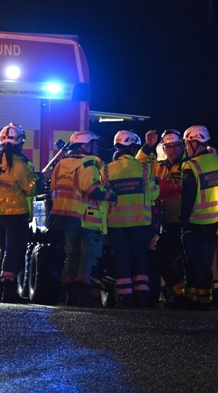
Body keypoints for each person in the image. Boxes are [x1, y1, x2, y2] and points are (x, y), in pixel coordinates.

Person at [49, 131, 107, 306]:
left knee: (72, 255)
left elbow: (53, 186)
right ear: (85, 145)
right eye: (94, 144)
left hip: (66, 217)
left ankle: (69, 291)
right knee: (88, 255)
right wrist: (112, 195)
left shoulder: (61, 164)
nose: (96, 148)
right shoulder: (88, 164)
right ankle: (84, 292)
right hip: (86, 217)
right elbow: (92, 189)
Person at [103, 131, 159, 308]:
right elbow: (154, 194)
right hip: (139, 222)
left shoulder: (106, 169)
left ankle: (125, 297)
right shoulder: (144, 168)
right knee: (139, 257)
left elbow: (102, 196)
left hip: (115, 222)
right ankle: (142, 296)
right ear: (134, 147)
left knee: (121, 258)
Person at [179, 125, 218, 310]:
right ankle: (197, 298)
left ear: (194, 142)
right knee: (205, 260)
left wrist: (183, 221)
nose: (186, 147)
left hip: (196, 220)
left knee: (195, 262)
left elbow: (188, 198)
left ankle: (201, 301)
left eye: (186, 143)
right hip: (215, 220)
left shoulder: (191, 166)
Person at [0, 123, 37, 304]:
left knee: (4, 252)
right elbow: (30, 189)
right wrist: (38, 179)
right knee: (15, 252)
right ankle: (9, 290)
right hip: (16, 213)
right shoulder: (19, 164)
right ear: (19, 143)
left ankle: (1, 289)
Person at [140, 129, 187, 308]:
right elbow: (138, 165)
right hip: (164, 223)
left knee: (182, 262)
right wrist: (147, 146)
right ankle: (178, 295)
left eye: (175, 146)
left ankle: (185, 296)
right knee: (163, 259)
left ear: (182, 146)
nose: (172, 150)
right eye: (168, 147)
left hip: (182, 221)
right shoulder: (159, 166)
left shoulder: (187, 166)